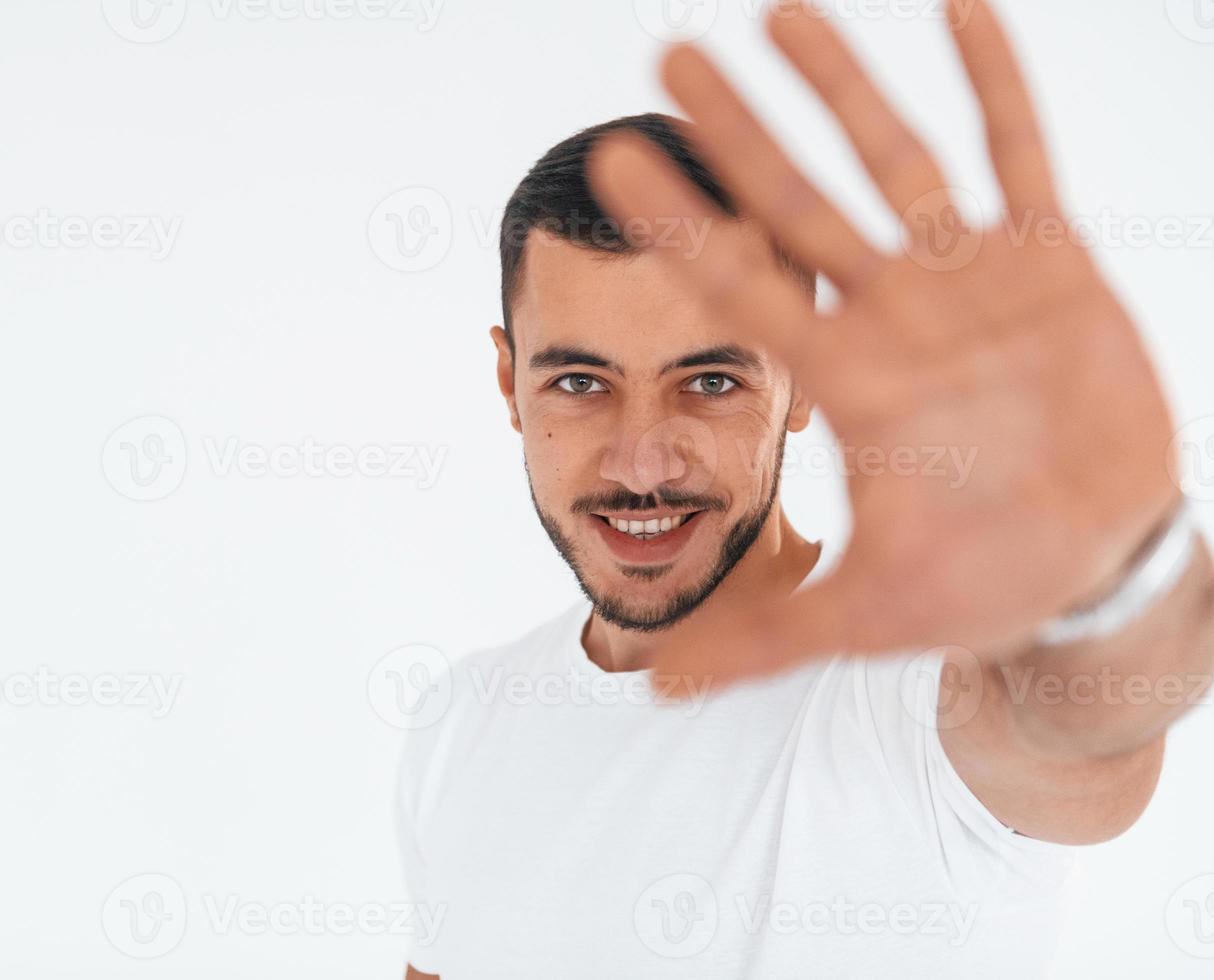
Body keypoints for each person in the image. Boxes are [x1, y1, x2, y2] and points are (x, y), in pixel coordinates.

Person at [397, 2, 1212, 976]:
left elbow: (1092, 724)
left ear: (798, 380)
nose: (642, 462)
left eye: (709, 380)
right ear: (508, 384)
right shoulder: (459, 723)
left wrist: (1108, 575)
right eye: (580, 382)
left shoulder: (916, 702)